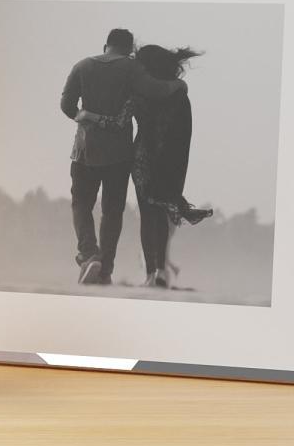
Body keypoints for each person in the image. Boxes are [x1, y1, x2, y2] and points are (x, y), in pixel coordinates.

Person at [60, 29, 187, 287]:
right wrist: (178, 84)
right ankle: (105, 271)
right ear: (129, 49)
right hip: (119, 155)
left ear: (105, 45)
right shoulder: (131, 69)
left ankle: (89, 254)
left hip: (85, 150)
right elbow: (156, 90)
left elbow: (66, 106)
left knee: (81, 204)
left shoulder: (81, 66)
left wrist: (84, 116)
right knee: (112, 212)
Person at [130, 44, 213, 288]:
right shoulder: (178, 94)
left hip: (143, 158)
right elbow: (184, 134)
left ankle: (149, 274)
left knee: (147, 215)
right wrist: (177, 171)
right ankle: (160, 271)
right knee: (160, 214)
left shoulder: (141, 92)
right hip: (168, 161)